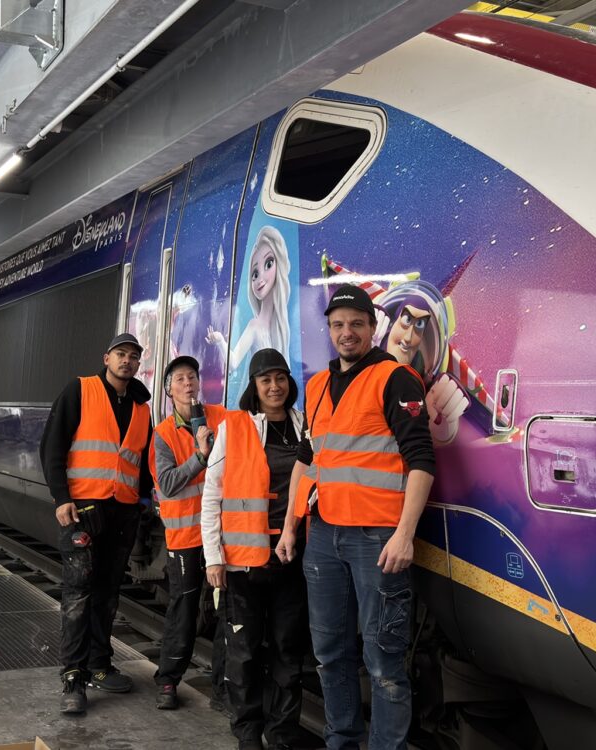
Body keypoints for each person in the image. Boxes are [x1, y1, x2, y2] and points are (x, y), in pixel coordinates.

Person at [276, 285, 436, 750]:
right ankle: (341, 742)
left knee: (383, 660)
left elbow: (421, 460)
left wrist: (404, 535)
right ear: (329, 330)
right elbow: (307, 460)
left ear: (372, 327)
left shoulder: (396, 379)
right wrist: (289, 527)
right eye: (338, 325)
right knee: (329, 654)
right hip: (324, 534)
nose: (347, 333)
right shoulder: (317, 386)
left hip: (376, 539)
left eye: (356, 324)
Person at [40, 333, 153, 714]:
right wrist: (61, 498)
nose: (127, 361)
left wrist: (143, 500)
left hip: (122, 514)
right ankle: (73, 677)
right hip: (82, 511)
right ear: (107, 358)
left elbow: (142, 461)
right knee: (79, 594)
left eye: (133, 356)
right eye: (121, 354)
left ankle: (99, 665)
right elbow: (52, 446)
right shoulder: (80, 390)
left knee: (107, 594)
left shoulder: (141, 407)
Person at [202, 348, 306, 750]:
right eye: (266, 380)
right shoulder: (235, 427)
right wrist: (213, 558)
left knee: (288, 651)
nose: (274, 386)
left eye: (280, 378)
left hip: (292, 559)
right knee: (244, 651)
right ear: (254, 386)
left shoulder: (304, 425)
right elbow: (213, 494)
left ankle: (281, 732)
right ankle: (247, 730)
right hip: (244, 564)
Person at [149, 355, 226, 710]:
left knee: (228, 612)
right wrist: (200, 456)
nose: (188, 383)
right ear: (169, 390)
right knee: (183, 609)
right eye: (179, 379)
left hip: (223, 535)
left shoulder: (221, 419)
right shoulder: (163, 435)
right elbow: (167, 484)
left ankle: (223, 688)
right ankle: (168, 680)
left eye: (192, 376)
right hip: (186, 539)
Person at [206, 226, 291, 395]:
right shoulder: (254, 326)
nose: (260, 279)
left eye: (268, 264)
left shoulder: (281, 326)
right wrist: (220, 341)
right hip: (259, 403)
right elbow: (233, 363)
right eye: (254, 274)